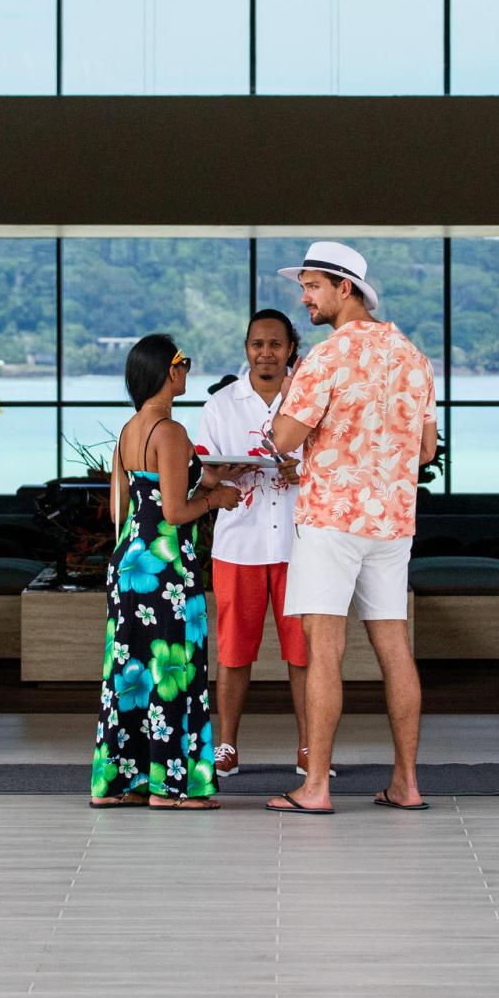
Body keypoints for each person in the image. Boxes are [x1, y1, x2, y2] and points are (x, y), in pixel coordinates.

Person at [263, 242, 438, 815]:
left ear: (345, 288)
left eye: (312, 286)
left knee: (325, 652)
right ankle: (407, 784)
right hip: (392, 522)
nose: (304, 298)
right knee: (394, 647)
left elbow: (284, 440)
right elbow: (426, 449)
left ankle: (315, 788)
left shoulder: (326, 356)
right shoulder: (413, 356)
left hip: (332, 521)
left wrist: (289, 402)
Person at [90, 333, 243, 809]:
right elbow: (175, 512)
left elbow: (128, 502)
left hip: (130, 563)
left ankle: (125, 782)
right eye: (182, 362)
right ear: (165, 372)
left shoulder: (130, 430)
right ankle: (173, 788)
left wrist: (214, 477)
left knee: (130, 672)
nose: (187, 370)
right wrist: (216, 499)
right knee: (175, 671)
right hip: (168, 568)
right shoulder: (170, 431)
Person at [192, 309, 319, 779]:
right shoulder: (221, 405)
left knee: (303, 655)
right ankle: (226, 746)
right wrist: (222, 473)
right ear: (246, 349)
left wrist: (301, 471)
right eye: (256, 345)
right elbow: (206, 475)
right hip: (238, 546)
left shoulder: (311, 402)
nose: (265, 353)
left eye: (275, 345)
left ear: (291, 351)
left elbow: (328, 468)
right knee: (232, 651)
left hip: (299, 545)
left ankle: (310, 746)